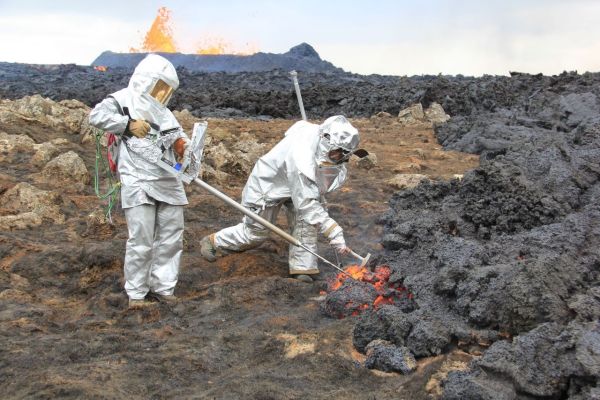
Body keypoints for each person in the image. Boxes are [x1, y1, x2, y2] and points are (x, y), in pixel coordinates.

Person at [200, 115, 367, 282]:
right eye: (337, 153)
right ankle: (214, 241)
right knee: (255, 233)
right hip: (267, 187)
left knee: (306, 223)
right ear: (326, 142)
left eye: (345, 155)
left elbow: (309, 194)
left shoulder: (319, 136)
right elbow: (307, 204)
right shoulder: (300, 159)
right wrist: (334, 232)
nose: (340, 158)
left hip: (295, 186)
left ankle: (303, 268)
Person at [89, 54, 190, 308]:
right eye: (160, 86)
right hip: (137, 179)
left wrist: (181, 145)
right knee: (141, 238)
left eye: (166, 89)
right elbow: (97, 116)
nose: (162, 93)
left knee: (171, 235)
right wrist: (127, 124)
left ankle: (163, 287)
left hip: (167, 178)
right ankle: (136, 294)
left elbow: (177, 135)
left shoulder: (164, 113)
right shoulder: (123, 99)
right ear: (147, 80)